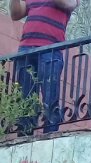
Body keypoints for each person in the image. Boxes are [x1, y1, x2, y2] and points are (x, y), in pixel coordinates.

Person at [8, 0, 78, 135]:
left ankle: (50, 136)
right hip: (26, 49)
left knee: (50, 98)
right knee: (25, 98)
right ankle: (24, 135)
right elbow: (15, 14)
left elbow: (68, 4)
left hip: (50, 49)